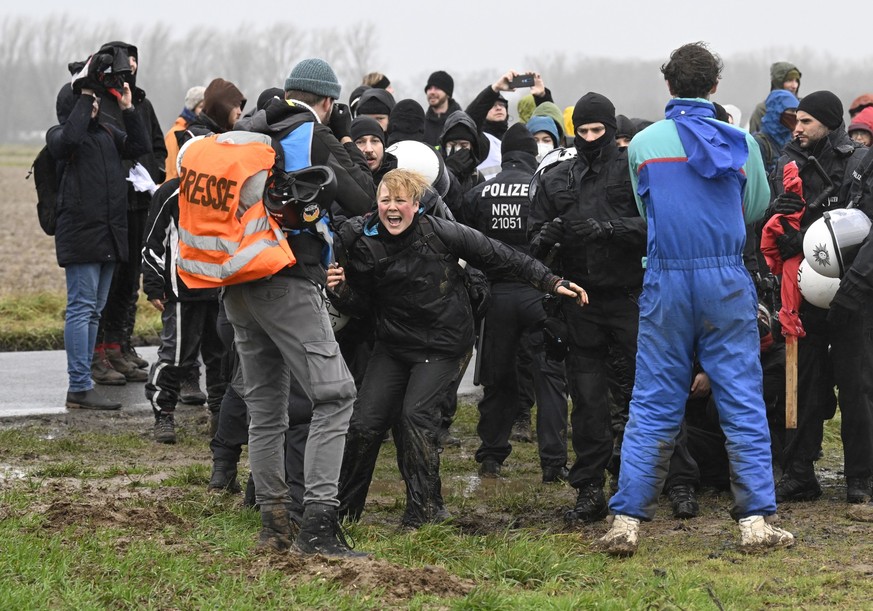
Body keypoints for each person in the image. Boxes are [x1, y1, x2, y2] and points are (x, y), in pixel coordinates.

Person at [596, 42, 793, 556]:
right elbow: (755, 208)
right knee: (743, 399)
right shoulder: (743, 144)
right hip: (724, 282)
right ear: (714, 87)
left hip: (666, 280)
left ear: (668, 85)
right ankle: (755, 521)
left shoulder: (642, 144)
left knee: (652, 403)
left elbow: (646, 205)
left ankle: (625, 522)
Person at [331, 168, 587, 527]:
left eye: (400, 201)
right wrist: (340, 291)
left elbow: (501, 255)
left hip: (445, 342)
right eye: (385, 200)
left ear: (416, 205)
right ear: (376, 203)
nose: (392, 208)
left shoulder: (439, 232)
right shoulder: (359, 238)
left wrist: (550, 281)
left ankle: (425, 513)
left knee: (416, 418)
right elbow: (359, 308)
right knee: (364, 424)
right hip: (393, 343)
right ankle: (343, 515)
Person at [222, 58, 374, 556]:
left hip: (237, 282)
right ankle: (319, 529)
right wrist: (346, 143)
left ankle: (274, 523)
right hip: (286, 279)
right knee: (335, 395)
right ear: (327, 102)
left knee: (266, 407)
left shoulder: (248, 129)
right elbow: (362, 198)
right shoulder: (311, 131)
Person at [528, 92, 646, 523]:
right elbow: (534, 238)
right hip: (580, 299)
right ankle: (590, 487)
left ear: (613, 131)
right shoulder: (558, 176)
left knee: (646, 393)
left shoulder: (634, 170)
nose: (592, 138)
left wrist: (610, 229)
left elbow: (658, 224)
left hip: (631, 296)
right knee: (588, 399)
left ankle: (659, 480)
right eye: (585, 131)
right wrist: (554, 233)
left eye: (599, 131)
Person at [767, 90, 870, 505]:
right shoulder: (786, 161)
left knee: (858, 386)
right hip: (804, 295)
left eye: (806, 120)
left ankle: (861, 478)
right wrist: (787, 232)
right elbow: (779, 223)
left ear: (829, 121)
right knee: (802, 382)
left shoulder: (861, 163)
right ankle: (798, 472)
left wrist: (857, 285)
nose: (797, 127)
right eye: (795, 120)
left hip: (856, 295)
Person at [462, 124, 570, 482]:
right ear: (531, 154)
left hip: (497, 298)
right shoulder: (542, 187)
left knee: (498, 378)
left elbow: (467, 244)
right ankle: (553, 463)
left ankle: (491, 456)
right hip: (540, 292)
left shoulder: (479, 193)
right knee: (549, 378)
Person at [49, 62, 150, 410]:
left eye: (93, 102)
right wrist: (86, 92)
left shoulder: (107, 133)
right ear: (73, 105)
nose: (93, 106)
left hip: (109, 237)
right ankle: (78, 385)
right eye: (86, 102)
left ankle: (84, 382)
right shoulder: (61, 137)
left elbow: (138, 146)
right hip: (81, 236)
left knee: (94, 312)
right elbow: (72, 135)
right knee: (80, 309)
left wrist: (127, 108)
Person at [92, 41, 167, 387]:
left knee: (130, 279)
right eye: (126, 59)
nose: (132, 66)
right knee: (112, 277)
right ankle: (104, 349)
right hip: (114, 202)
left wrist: (154, 171)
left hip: (140, 202)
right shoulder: (101, 104)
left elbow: (155, 145)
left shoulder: (142, 103)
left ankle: (120, 344)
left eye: (135, 59)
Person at [141, 140, 225, 443]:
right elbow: (153, 243)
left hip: (220, 291)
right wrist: (153, 285)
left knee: (222, 358)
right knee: (176, 357)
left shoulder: (223, 192)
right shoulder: (170, 193)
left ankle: (219, 414)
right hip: (181, 292)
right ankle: (163, 413)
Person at [752, 89, 798, 176]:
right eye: (791, 111)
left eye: (796, 111)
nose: (795, 115)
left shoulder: (792, 141)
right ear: (777, 112)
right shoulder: (758, 143)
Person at [163, 86, 205, 181]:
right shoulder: (174, 133)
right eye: (201, 107)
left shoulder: (204, 132)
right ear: (192, 108)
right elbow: (171, 172)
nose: (204, 111)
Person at [748, 61, 801, 134]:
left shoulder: (802, 107)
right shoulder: (762, 110)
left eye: (796, 81)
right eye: (789, 80)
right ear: (778, 83)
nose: (794, 86)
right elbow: (753, 141)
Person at [423, 70, 461, 147]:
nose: (432, 92)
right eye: (429, 88)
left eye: (437, 88)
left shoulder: (460, 123)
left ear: (448, 93)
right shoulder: (422, 125)